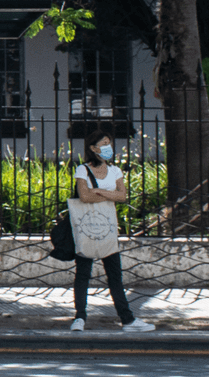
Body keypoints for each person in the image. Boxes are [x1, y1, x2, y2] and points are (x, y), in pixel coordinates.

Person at [69, 130, 155, 332]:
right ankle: (79, 318)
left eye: (109, 143)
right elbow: (83, 196)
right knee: (83, 273)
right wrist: (109, 195)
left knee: (115, 275)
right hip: (87, 227)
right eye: (104, 143)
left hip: (107, 228)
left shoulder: (115, 171)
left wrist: (98, 191)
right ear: (93, 148)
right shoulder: (82, 170)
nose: (108, 147)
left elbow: (122, 196)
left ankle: (127, 320)